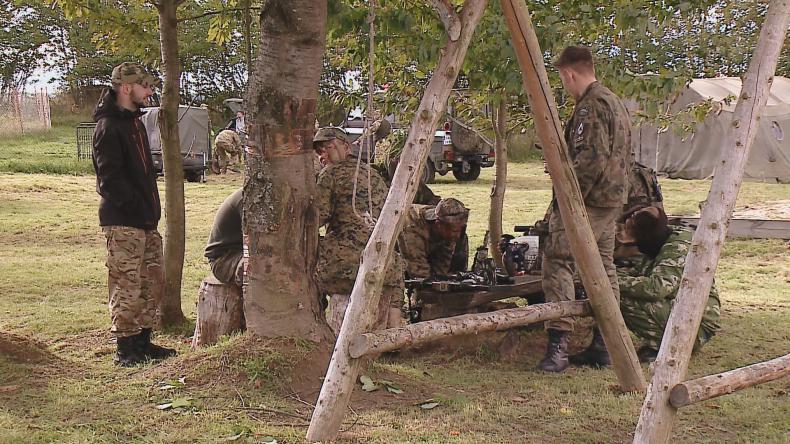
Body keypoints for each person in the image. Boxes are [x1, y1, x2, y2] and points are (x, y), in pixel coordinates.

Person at [538, 46, 634, 372]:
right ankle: (605, 343)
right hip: (613, 200)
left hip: (589, 201)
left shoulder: (589, 107)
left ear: (569, 74)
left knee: (558, 259)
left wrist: (568, 202)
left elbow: (590, 160)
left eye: (563, 79)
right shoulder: (614, 101)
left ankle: (558, 345)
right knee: (603, 268)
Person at [92, 62, 176, 367]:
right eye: (145, 86)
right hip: (123, 221)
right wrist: (136, 207)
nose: (150, 92)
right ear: (127, 88)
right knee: (126, 283)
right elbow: (109, 180)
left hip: (146, 221)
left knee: (151, 280)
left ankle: (144, 342)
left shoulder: (136, 123)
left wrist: (148, 212)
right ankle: (125, 349)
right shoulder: (109, 127)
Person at [313, 127, 404, 333]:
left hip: (344, 267)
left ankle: (316, 329)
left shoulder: (330, 174)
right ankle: (395, 330)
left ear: (346, 148)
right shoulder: (373, 174)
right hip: (384, 264)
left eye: (328, 148)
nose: (322, 156)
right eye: (319, 152)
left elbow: (317, 218)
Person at [616, 205, 721, 363]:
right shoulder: (662, 239)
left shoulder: (677, 247)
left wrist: (610, 281)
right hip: (685, 313)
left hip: (696, 326)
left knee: (617, 297)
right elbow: (639, 274)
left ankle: (666, 345)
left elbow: (656, 288)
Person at [399, 198, 470, 279]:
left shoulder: (447, 226)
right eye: (454, 231)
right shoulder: (413, 230)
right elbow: (419, 273)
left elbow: (442, 268)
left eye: (460, 229)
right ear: (438, 225)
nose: (457, 235)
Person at [204, 188, 245, 288]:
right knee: (264, 261)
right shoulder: (247, 199)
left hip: (239, 252)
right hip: (223, 260)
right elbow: (257, 242)